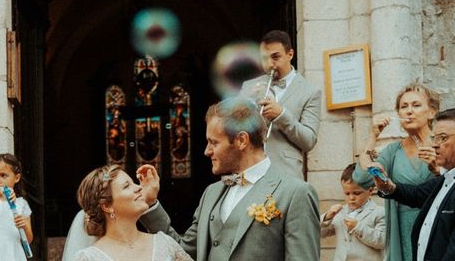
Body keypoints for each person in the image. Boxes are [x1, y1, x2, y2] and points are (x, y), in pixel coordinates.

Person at [137, 96, 321, 260]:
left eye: (213, 142)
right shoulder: (211, 193)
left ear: (241, 140)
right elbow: (181, 252)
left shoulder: (296, 193)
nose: (207, 151)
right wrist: (151, 203)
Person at [353, 83, 440, 261]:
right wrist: (372, 136)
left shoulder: (443, 146)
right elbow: (361, 179)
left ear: (432, 112)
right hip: (402, 231)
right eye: (403, 107)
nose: (409, 111)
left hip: (437, 227)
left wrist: (439, 169)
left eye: (416, 105)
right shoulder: (393, 151)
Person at [369, 108, 455, 261]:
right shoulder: (446, 179)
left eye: (443, 138)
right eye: (435, 138)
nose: (435, 145)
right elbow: (415, 194)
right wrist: (386, 185)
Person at [240, 29, 321, 179]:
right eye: (264, 58)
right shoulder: (248, 87)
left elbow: (309, 141)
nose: (270, 64)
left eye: (275, 57)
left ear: (290, 54)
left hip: (286, 174)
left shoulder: (311, 91)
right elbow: (234, 130)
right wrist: (246, 108)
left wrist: (282, 115)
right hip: (250, 172)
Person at [71, 164, 191, 261]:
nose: (139, 187)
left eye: (134, 182)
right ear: (107, 206)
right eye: (126, 186)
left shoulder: (165, 243)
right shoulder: (88, 258)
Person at [321, 163, 385, 261]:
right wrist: (327, 217)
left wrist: (358, 227)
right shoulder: (340, 212)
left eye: (357, 193)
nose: (351, 198)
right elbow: (320, 233)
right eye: (347, 193)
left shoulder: (380, 212)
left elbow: (381, 241)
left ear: (370, 190)